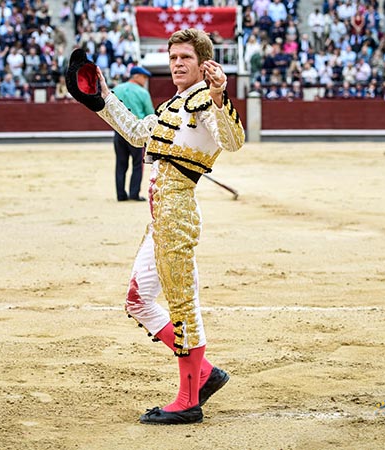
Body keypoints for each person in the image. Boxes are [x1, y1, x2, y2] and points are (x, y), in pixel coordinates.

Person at [66, 28, 245, 425]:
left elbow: (233, 141)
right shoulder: (175, 104)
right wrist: (101, 99)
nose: (177, 64)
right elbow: (135, 132)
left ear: (203, 62)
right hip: (160, 216)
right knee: (136, 299)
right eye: (173, 57)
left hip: (176, 213)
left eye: (185, 58)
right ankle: (204, 374)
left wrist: (219, 96)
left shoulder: (202, 101)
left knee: (183, 304)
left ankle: (188, 400)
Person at [110, 66, 154, 202]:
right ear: (136, 76)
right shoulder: (143, 92)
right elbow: (150, 115)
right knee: (137, 164)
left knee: (121, 164)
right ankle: (134, 194)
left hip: (119, 133)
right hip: (137, 134)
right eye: (144, 77)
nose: (145, 80)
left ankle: (121, 195)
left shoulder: (117, 89)